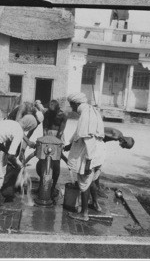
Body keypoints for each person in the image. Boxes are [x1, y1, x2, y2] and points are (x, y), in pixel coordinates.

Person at [63, 92, 105, 220]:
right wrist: (69, 145)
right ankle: (96, 205)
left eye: (72, 106)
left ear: (76, 103)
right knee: (91, 180)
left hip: (88, 154)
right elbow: (79, 134)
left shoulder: (85, 115)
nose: (72, 109)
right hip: (98, 152)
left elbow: (88, 139)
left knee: (83, 182)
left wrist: (88, 162)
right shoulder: (92, 110)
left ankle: (84, 214)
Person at [35, 99, 68, 199]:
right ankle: (42, 185)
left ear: (58, 109)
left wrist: (56, 144)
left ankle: (53, 187)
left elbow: (61, 131)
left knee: (56, 162)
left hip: (58, 137)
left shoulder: (63, 115)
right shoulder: (47, 113)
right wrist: (45, 140)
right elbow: (44, 128)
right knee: (42, 160)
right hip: (47, 135)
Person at [92, 127, 135, 198]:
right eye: (124, 146)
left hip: (98, 139)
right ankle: (96, 188)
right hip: (95, 138)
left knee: (98, 166)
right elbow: (100, 137)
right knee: (97, 166)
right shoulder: (116, 137)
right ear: (125, 141)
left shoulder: (120, 135)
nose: (123, 147)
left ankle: (97, 186)